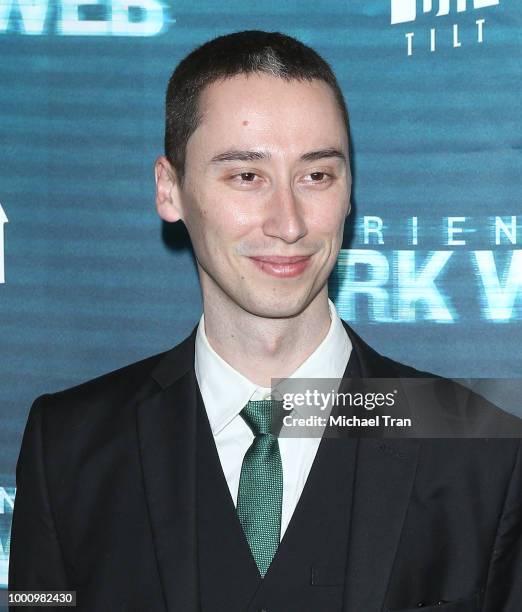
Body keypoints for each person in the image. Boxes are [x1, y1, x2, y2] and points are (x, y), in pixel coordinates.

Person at [8, 31, 522, 612]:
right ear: (169, 189)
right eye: (247, 176)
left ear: (350, 190)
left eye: (317, 175)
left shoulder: (483, 450)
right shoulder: (70, 445)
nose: (289, 222)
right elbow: (37, 601)